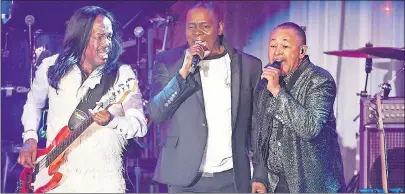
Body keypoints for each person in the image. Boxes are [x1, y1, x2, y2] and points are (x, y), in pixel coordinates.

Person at [18, 6, 147, 193]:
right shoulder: (50, 66)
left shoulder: (123, 75)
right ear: (81, 36)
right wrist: (30, 136)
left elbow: (139, 125)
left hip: (104, 180)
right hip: (56, 177)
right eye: (100, 36)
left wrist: (113, 121)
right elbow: (33, 103)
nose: (107, 43)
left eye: (109, 36)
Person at [148, 1, 262, 193]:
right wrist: (183, 73)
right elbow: (157, 113)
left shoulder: (249, 65)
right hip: (185, 178)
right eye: (191, 27)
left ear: (220, 28)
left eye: (205, 26)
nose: (197, 33)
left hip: (232, 177)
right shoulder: (169, 61)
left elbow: (258, 125)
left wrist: (259, 173)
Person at [251, 22, 346, 193]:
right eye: (273, 45)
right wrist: (259, 175)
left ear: (302, 51)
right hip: (275, 184)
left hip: (312, 186)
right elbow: (260, 131)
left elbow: (309, 128)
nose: (277, 51)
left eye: (285, 46)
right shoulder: (269, 81)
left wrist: (277, 92)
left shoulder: (319, 80)